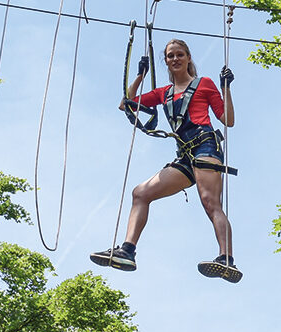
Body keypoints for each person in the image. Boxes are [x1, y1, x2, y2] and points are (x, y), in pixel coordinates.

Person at [90, 38, 242, 283]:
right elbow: (126, 104)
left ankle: (226, 258)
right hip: (184, 155)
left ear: (188, 58)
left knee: (210, 203)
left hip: (205, 147)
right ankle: (127, 251)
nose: (175, 59)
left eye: (179, 55)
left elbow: (228, 119)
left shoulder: (204, 84)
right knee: (140, 193)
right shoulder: (165, 93)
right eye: (170, 56)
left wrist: (226, 88)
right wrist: (140, 75)